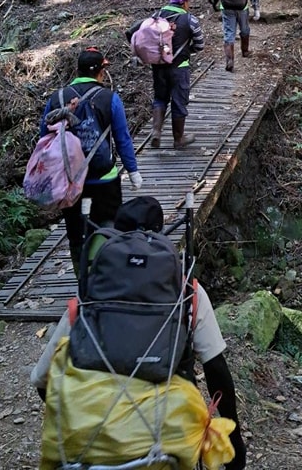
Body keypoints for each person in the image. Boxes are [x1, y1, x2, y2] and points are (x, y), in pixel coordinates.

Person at [30, 195, 247, 470]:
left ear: (115, 236)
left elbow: (42, 380)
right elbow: (218, 373)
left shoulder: (90, 295)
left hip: (93, 443)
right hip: (164, 441)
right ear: (160, 233)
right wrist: (235, 442)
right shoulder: (188, 293)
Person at [39, 48, 143, 275]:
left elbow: (42, 137)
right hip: (104, 179)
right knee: (109, 228)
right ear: (100, 72)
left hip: (69, 181)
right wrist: (133, 171)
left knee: (76, 234)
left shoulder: (57, 98)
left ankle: (82, 282)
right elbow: (122, 138)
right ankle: (108, 278)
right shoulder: (109, 98)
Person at [148, 0, 204, 149]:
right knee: (179, 102)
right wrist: (187, 50)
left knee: (160, 98)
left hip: (158, 66)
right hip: (180, 67)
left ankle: (156, 132)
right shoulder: (189, 19)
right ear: (184, 2)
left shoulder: (156, 16)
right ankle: (178, 139)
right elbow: (200, 44)